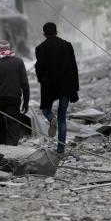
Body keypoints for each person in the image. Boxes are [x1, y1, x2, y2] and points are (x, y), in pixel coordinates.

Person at [35, 22, 79, 153]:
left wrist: (41, 80)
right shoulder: (67, 45)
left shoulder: (40, 48)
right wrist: (75, 88)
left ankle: (50, 118)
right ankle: (61, 149)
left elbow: (39, 68)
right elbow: (73, 67)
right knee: (62, 118)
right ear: (56, 31)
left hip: (49, 85)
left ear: (44, 33)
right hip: (66, 86)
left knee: (45, 109)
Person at [0, 40, 30, 145]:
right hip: (14, 98)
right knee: (13, 123)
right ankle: (12, 147)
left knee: (0, 123)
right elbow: (25, 84)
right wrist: (26, 102)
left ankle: (2, 147)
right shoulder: (18, 61)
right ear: (10, 49)